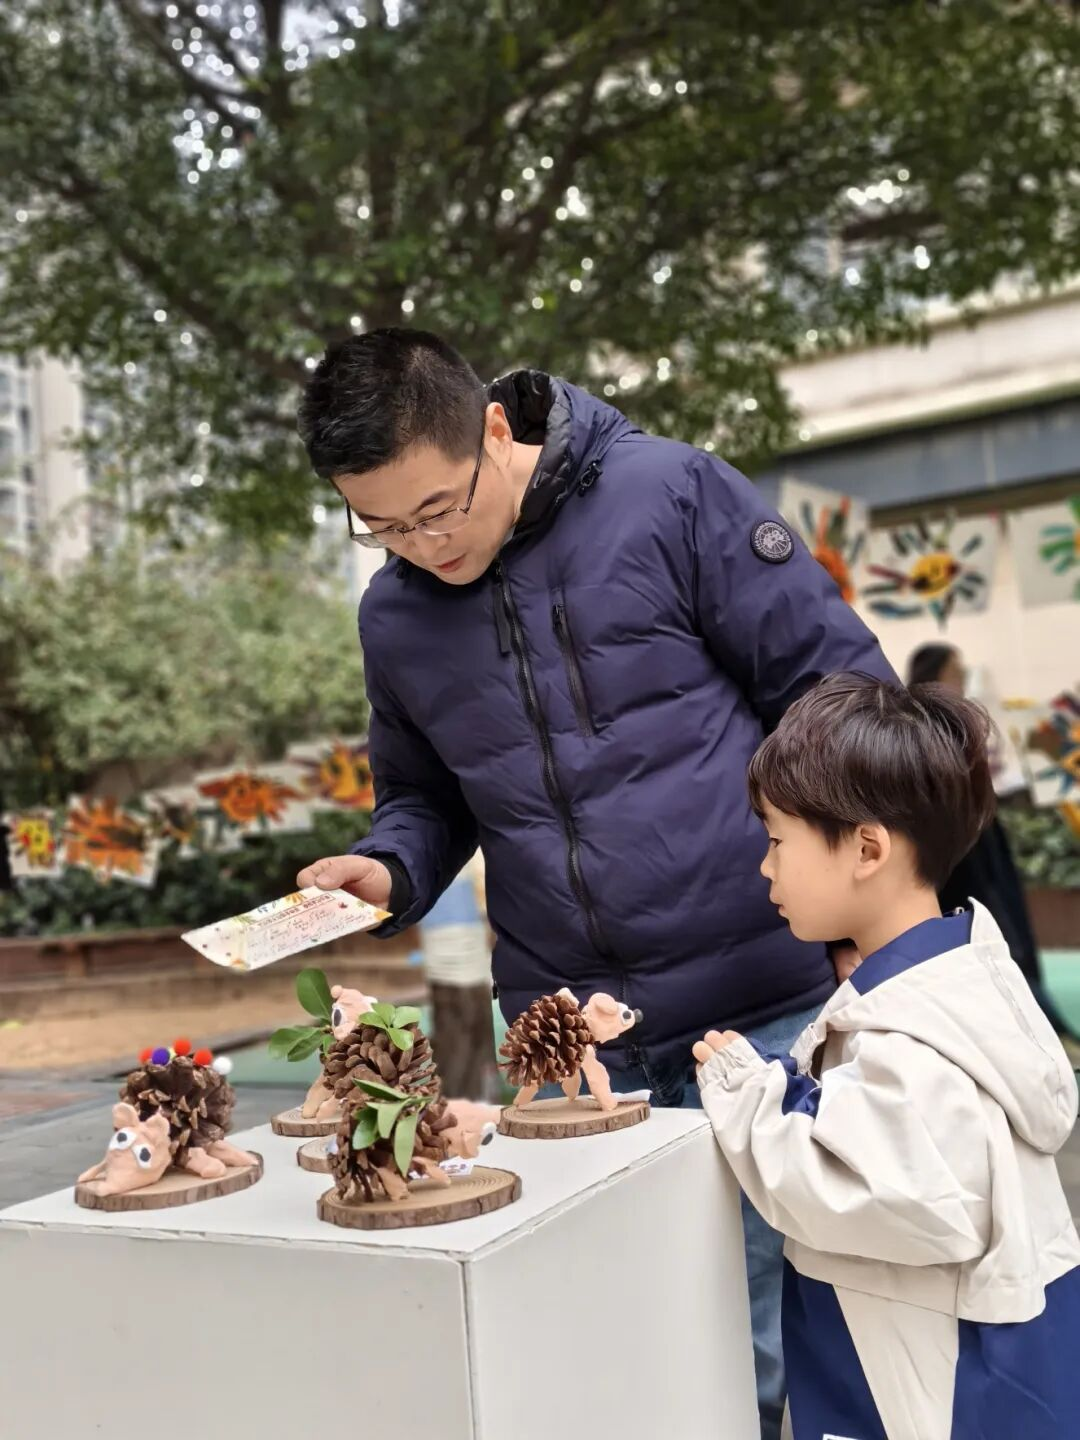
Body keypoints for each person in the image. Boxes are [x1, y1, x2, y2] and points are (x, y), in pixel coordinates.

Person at [294, 327, 896, 1436]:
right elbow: (425, 797)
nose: (422, 546)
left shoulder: (669, 496)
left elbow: (839, 699)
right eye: (379, 526)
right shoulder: (395, 616)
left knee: (776, 1344)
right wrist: (387, 868)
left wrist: (864, 920)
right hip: (570, 1046)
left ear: (492, 428)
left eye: (437, 509)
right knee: (620, 1347)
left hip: (764, 1005)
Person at [694, 674, 1080, 1439]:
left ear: (867, 848)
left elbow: (877, 1196)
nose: (767, 867)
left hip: (931, 1397)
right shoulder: (958, 984)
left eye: (778, 841)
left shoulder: (911, 1041)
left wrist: (748, 1094)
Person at [907, 642, 1078, 1048]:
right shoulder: (921, 724)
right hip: (960, 853)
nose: (961, 679)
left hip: (982, 840)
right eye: (954, 671)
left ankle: (1042, 1027)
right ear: (935, 674)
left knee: (1008, 932)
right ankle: (1039, 1032)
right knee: (993, 936)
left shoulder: (954, 717)